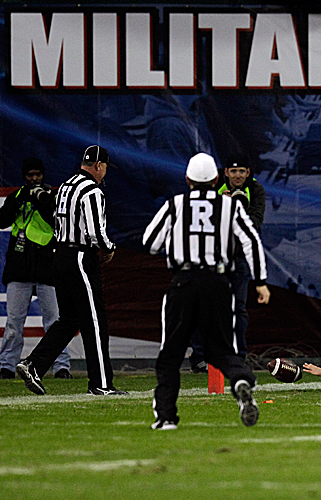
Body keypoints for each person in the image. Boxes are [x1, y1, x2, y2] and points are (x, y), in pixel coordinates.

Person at [142, 153, 270, 430]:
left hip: (184, 281)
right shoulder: (229, 206)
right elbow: (252, 242)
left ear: (187, 179)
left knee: (171, 354)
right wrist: (260, 281)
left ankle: (166, 417)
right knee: (223, 349)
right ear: (216, 179)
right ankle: (240, 380)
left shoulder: (176, 204)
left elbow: (150, 242)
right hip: (218, 283)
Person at [16, 146, 123, 395]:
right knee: (95, 322)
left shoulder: (66, 185)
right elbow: (95, 232)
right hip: (79, 257)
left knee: (69, 319)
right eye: (105, 167)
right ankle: (101, 384)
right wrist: (109, 247)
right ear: (98, 165)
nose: (105, 173)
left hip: (60, 256)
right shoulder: (92, 191)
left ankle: (34, 364)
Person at [189, 158, 266, 373]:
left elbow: (255, 224)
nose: (238, 175)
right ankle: (199, 357)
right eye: (234, 171)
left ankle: (237, 357)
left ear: (248, 171)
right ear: (226, 173)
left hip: (239, 259)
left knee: (238, 308)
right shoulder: (215, 190)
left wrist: (233, 211)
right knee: (205, 306)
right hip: (212, 258)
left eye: (242, 170)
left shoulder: (256, 189)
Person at [0, 158, 71, 380]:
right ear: (24, 177)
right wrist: (20, 199)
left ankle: (61, 366)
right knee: (13, 323)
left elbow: (58, 222)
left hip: (48, 269)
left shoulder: (53, 197)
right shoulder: (16, 197)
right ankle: (6, 366)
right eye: (30, 175)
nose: (33, 179)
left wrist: (41, 199)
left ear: (43, 175)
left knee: (55, 321)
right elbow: (1, 221)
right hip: (19, 269)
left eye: (37, 175)